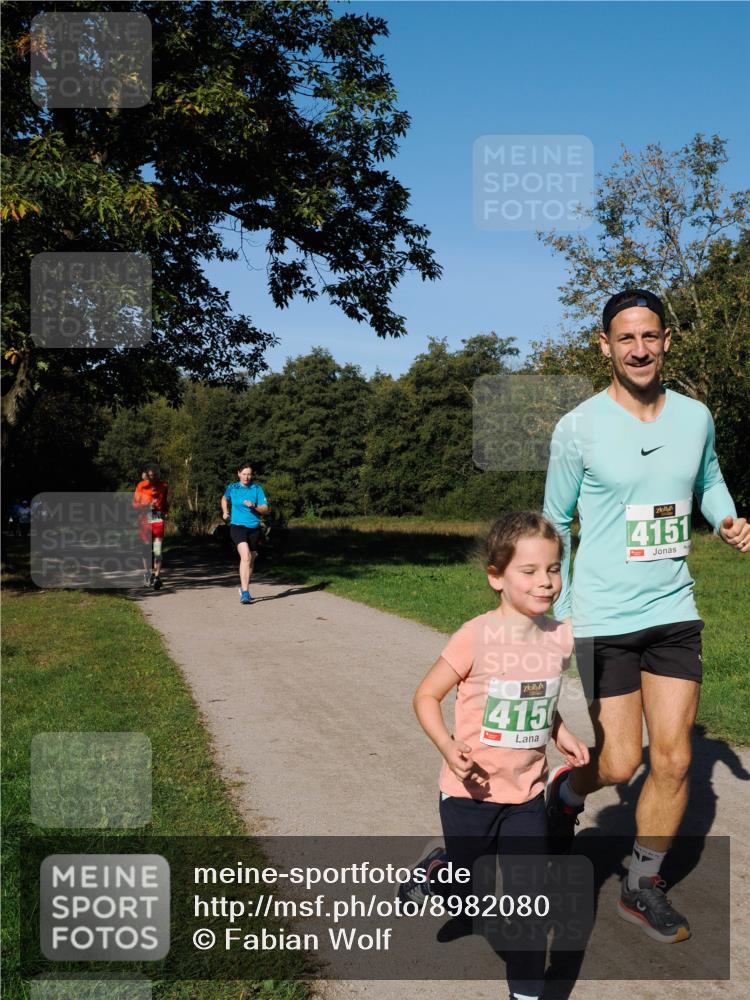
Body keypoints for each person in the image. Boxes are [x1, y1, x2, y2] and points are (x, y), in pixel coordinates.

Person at [543, 288, 749, 944]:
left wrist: (725, 517)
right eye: (625, 338)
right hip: (602, 614)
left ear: (666, 342)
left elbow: (709, 478)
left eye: (650, 337)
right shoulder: (577, 427)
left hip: (672, 607)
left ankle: (643, 879)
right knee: (619, 762)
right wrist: (560, 611)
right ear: (604, 345)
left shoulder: (694, 417)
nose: (639, 349)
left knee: (676, 759)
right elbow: (555, 522)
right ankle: (565, 796)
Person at [413, 512, 589, 1000]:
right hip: (469, 794)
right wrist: (448, 746)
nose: (546, 581)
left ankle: (525, 994)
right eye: (529, 571)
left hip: (528, 796)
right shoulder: (476, 635)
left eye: (553, 569)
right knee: (466, 889)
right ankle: (438, 873)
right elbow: (425, 697)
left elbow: (537, 699)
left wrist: (561, 732)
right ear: (496, 576)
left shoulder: (559, 637)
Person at [221, 460, 269, 605]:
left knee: (251, 558)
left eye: (249, 474)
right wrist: (225, 512)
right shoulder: (232, 487)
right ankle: (245, 592)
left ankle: (243, 587)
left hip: (254, 528)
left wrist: (254, 506)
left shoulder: (257, 489)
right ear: (238, 473)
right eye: (244, 474)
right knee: (246, 556)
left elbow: (265, 509)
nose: (247, 477)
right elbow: (224, 499)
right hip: (237, 527)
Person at [133, 463, 169, 589]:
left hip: (158, 519)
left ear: (158, 475)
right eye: (150, 476)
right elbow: (135, 504)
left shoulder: (164, 485)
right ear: (147, 475)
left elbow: (165, 502)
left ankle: (157, 577)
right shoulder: (141, 486)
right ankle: (147, 574)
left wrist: (165, 512)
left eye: (155, 476)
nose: (153, 478)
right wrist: (146, 505)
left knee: (158, 549)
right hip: (144, 519)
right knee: (146, 549)